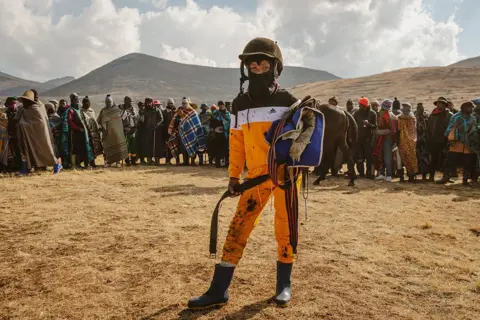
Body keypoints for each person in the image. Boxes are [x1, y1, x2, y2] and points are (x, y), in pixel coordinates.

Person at [188, 37, 302, 309]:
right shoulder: (239, 104)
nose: (258, 70)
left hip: (285, 176)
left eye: (264, 65)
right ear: (246, 69)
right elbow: (236, 142)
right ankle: (219, 289)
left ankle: (283, 286)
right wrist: (233, 176)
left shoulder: (289, 101)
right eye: (253, 66)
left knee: (285, 229)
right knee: (238, 227)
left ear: (276, 67)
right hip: (255, 178)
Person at [15, 90, 60, 175]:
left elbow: (41, 123)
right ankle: (26, 169)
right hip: (27, 135)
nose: (24, 102)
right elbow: (18, 120)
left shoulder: (37, 109)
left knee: (46, 150)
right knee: (25, 151)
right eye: (23, 100)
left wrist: (23, 124)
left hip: (40, 135)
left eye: (25, 100)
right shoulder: (24, 109)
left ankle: (57, 165)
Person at [437, 101, 477, 185]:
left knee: (468, 162)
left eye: (472, 107)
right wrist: (451, 139)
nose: (472, 109)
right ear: (464, 108)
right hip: (456, 142)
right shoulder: (456, 117)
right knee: (450, 161)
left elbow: (474, 130)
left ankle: (465, 179)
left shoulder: (472, 118)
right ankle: (446, 177)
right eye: (470, 107)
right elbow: (449, 128)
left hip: (468, 144)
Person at [97, 94, 128, 168]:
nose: (108, 103)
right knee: (108, 148)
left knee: (118, 148)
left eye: (109, 102)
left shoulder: (117, 110)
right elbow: (99, 120)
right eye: (107, 102)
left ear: (112, 101)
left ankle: (118, 162)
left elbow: (122, 119)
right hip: (107, 133)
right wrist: (101, 127)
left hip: (117, 133)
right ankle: (109, 162)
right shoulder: (103, 111)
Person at [427, 97, 453, 182]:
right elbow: (429, 128)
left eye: (441, 104)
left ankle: (446, 177)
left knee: (446, 160)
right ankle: (431, 177)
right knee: (433, 159)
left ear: (445, 106)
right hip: (434, 141)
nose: (439, 106)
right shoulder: (432, 115)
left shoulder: (450, 115)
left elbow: (452, 128)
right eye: (438, 104)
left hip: (445, 141)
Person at [67, 93, 94, 169]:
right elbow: (70, 122)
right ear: (72, 100)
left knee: (83, 148)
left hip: (83, 133)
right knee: (75, 149)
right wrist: (78, 128)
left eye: (77, 98)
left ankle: (83, 164)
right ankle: (74, 165)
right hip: (75, 133)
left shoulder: (79, 109)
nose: (76, 100)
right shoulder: (71, 110)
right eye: (75, 99)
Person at [373, 99, 397, 182]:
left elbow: (392, 130)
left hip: (387, 139)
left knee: (387, 157)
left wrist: (380, 132)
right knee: (381, 156)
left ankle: (389, 175)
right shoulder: (382, 114)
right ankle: (382, 174)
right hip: (381, 139)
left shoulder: (389, 115)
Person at [353, 97, 377, 178]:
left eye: (361, 105)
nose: (360, 107)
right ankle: (361, 173)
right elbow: (352, 125)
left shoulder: (372, 114)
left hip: (368, 139)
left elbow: (375, 127)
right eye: (359, 105)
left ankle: (369, 172)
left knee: (368, 157)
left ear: (365, 106)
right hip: (358, 139)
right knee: (359, 157)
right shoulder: (356, 113)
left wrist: (369, 124)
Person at [139, 97, 164, 165]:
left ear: (152, 103)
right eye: (147, 103)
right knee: (148, 145)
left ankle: (157, 160)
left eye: (149, 103)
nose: (148, 104)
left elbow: (161, 119)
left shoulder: (157, 110)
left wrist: (156, 125)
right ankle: (149, 160)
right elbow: (141, 119)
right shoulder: (144, 111)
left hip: (156, 131)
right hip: (147, 131)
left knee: (156, 145)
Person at [397, 103, 418, 182]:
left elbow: (413, 130)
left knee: (411, 159)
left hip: (411, 142)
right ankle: (403, 176)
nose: (405, 112)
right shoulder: (400, 118)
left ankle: (411, 176)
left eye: (407, 110)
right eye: (404, 110)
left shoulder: (412, 118)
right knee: (403, 158)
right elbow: (398, 130)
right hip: (403, 141)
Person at [81, 96, 103, 167]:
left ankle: (92, 162)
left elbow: (94, 121)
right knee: (86, 148)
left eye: (88, 102)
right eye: (85, 102)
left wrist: (97, 129)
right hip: (85, 133)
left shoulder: (92, 111)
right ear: (83, 103)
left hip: (93, 133)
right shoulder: (81, 111)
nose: (87, 104)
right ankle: (86, 163)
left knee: (93, 148)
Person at [209, 101, 231, 168]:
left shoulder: (227, 113)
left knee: (226, 148)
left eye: (222, 105)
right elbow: (211, 122)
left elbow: (229, 121)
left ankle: (227, 163)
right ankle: (217, 163)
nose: (221, 106)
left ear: (224, 105)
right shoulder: (215, 113)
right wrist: (212, 129)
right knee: (217, 148)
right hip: (217, 133)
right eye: (220, 105)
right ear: (218, 106)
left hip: (225, 133)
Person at [120, 96, 138, 166]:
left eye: (131, 102)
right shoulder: (121, 109)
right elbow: (120, 119)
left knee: (133, 146)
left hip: (133, 129)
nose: (130, 103)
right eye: (128, 102)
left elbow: (136, 118)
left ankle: (133, 160)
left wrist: (135, 127)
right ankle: (127, 160)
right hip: (125, 130)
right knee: (127, 146)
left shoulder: (133, 109)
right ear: (125, 102)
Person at [415, 103, 430, 180]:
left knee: (424, 158)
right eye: (419, 108)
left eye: (421, 108)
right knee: (418, 157)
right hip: (417, 140)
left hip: (424, 141)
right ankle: (418, 174)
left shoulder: (426, 116)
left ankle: (424, 175)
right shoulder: (415, 116)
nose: (420, 109)